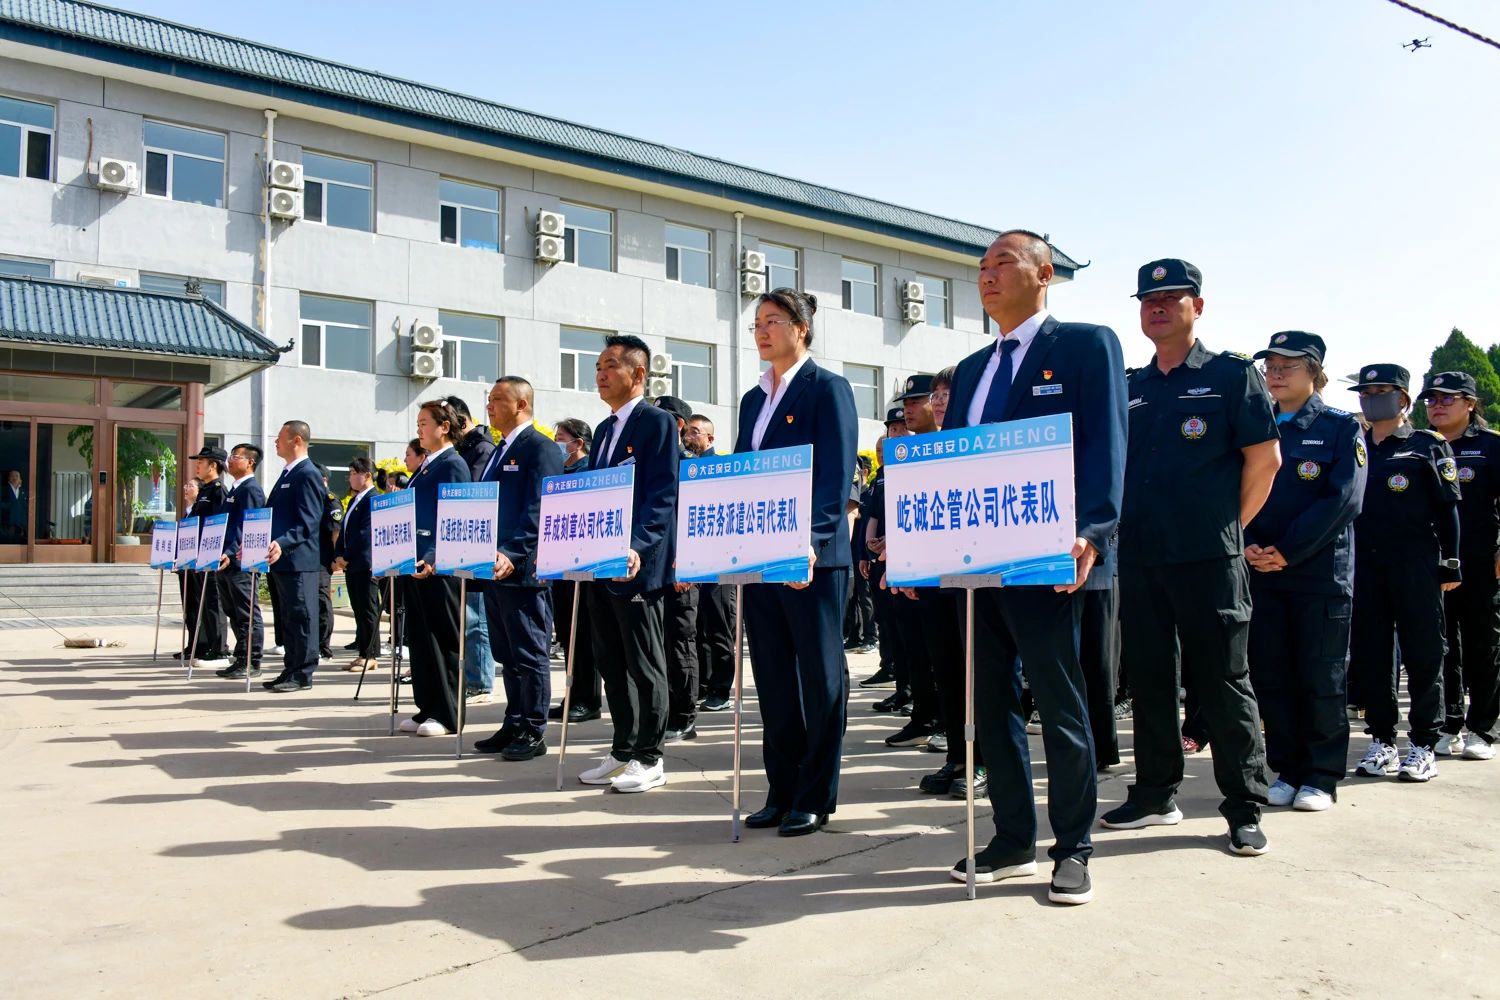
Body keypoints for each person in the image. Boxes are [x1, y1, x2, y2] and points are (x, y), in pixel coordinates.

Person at [942, 230, 1126, 905]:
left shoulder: (1085, 345)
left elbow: (1106, 441)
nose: (987, 275)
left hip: (1052, 558)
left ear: (1044, 274)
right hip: (977, 562)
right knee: (991, 705)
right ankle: (1012, 837)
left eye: (1003, 263)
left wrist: (1094, 530)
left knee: (1060, 703)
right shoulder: (971, 370)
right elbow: (953, 464)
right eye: (981, 267)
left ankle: (1073, 846)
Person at [1105, 258, 1279, 859]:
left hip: (1209, 558)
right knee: (1150, 678)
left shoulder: (1231, 375)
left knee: (1223, 680)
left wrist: (1227, 529)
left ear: (1197, 307)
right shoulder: (1130, 386)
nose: (1157, 308)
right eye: (1148, 301)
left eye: (1171, 298)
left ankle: (1244, 806)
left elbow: (1265, 462)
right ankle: (1155, 793)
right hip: (1142, 557)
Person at [737, 287, 858, 837]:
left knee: (820, 679)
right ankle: (780, 790)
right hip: (762, 558)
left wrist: (811, 537)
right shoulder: (752, 399)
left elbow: (835, 474)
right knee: (773, 679)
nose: (762, 331)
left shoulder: (827, 388)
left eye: (772, 321)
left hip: (814, 559)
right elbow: (743, 475)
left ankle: (814, 795)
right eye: (757, 323)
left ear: (801, 328)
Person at [1243, 332, 1366, 811]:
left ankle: (1320, 776)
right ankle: (1288, 769)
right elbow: (1237, 489)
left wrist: (1288, 551)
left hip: (1319, 574)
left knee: (1321, 675)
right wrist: (1248, 543)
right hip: (1262, 568)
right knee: (1273, 674)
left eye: (1287, 366)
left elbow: (1344, 499)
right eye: (1270, 365)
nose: (1275, 373)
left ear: (1314, 371)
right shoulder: (1257, 423)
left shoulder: (1339, 428)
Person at [1348, 365, 1461, 782]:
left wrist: (1451, 560)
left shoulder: (1426, 445)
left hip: (1415, 563)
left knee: (1424, 652)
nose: (1371, 399)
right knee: (1372, 655)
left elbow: (1447, 508)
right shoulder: (1354, 444)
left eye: (1382, 391)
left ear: (1403, 399)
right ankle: (1381, 740)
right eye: (1365, 392)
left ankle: (1424, 744)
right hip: (1366, 566)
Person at [578, 334, 679, 793]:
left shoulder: (656, 423)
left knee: (644, 663)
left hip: (637, 565)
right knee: (610, 661)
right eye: (598, 366)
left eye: (610, 366)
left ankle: (650, 756)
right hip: (601, 563)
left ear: (638, 374)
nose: (600, 374)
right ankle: (623, 749)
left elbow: (662, 494)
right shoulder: (603, 430)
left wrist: (639, 545)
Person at [471, 376, 564, 761]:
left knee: (529, 654)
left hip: (523, 570)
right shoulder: (500, 449)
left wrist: (513, 551)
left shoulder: (540, 448)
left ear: (521, 404)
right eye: (489, 399)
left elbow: (540, 507)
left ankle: (534, 729)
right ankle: (514, 721)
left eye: (497, 399)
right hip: (494, 569)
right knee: (507, 654)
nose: (489, 406)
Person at [1422, 371, 1500, 762]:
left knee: (1482, 645)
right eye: (1432, 399)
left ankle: (1482, 728)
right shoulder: (1420, 446)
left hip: (1480, 563)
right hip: (1430, 565)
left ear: (1470, 404)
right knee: (1442, 647)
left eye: (1447, 398)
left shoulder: (1490, 446)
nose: (1437, 405)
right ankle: (1450, 723)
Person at [396, 400, 472, 735]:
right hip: (415, 564)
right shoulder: (427, 466)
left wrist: (433, 553)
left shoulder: (453, 464)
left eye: (424, 423)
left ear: (444, 427)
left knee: (443, 639)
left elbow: (454, 517)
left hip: (439, 566)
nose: (419, 429)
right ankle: (427, 706)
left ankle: (447, 713)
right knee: (421, 639)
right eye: (418, 424)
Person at [264, 420, 327, 692]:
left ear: (297, 440)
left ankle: (303, 673)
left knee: (302, 618)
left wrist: (282, 542)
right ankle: (290, 668)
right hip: (281, 560)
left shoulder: (307, 473)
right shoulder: (288, 473)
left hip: (299, 560)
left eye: (280, 436)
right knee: (288, 619)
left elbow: (309, 521)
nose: (275, 441)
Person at [546, 418, 603, 723]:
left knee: (583, 635)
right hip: (560, 565)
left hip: (583, 566)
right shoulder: (558, 473)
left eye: (561, 438)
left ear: (578, 443)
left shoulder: (589, 473)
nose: (557, 443)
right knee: (567, 634)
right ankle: (572, 695)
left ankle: (588, 700)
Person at [447, 395, 499, 705]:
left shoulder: (481, 450)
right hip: (462, 544)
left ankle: (481, 682)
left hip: (478, 545)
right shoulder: (465, 450)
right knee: (467, 618)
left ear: (461, 421)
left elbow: (474, 495)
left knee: (476, 619)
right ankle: (472, 678)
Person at [862, 410, 916, 711]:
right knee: (891, 623)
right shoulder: (882, 474)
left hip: (909, 556)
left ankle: (919, 696)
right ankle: (902, 687)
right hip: (882, 557)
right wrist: (869, 548)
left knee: (913, 631)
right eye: (892, 430)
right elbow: (874, 514)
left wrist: (892, 539)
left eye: (900, 428)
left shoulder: (917, 462)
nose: (896, 434)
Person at [685, 414, 738, 713]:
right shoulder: (685, 468)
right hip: (694, 560)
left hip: (719, 561)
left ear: (710, 438)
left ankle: (721, 689)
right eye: (687, 432)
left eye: (695, 432)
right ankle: (704, 684)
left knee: (719, 626)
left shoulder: (721, 468)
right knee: (699, 624)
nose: (689, 437)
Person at [655, 394, 701, 742]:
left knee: (679, 644)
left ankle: (684, 716)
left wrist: (687, 563)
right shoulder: (653, 463)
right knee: (658, 645)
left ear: (678, 425)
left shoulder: (689, 467)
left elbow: (695, 520)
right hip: (653, 571)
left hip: (680, 570)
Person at [215, 443, 266, 680]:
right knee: (233, 611)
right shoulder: (235, 489)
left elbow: (247, 526)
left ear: (250, 462)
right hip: (226, 560)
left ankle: (251, 660)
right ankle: (240, 658)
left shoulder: (251, 490)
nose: (230, 460)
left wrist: (231, 550)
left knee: (246, 612)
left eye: (236, 456)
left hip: (241, 561)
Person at [332, 456, 380, 672]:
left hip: (364, 562)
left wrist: (347, 555)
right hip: (351, 563)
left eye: (354, 473)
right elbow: (344, 531)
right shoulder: (354, 500)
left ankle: (371, 655)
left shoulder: (373, 499)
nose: (350, 478)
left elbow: (365, 533)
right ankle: (362, 652)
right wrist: (338, 554)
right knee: (358, 609)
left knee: (368, 609)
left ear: (367, 475)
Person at [186, 446, 230, 667]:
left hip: (212, 554)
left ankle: (220, 650)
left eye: (201, 462)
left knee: (214, 602)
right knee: (204, 603)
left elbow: (220, 524)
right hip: (200, 555)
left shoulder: (219, 490)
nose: (197, 466)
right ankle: (210, 646)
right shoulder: (205, 490)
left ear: (213, 465)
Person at [314, 463, 342, 663]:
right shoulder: (314, 497)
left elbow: (335, 531)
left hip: (324, 560)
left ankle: (324, 648)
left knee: (322, 602)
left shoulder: (329, 500)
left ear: (323, 479)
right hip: (312, 558)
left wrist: (335, 559)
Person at [0, 469, 25, 543]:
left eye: (17, 476)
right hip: (6, 525)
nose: (14, 478)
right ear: (8, 478)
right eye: (12, 476)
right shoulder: (3, 490)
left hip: (21, 525)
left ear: (20, 480)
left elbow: (26, 508)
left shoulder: (24, 492)